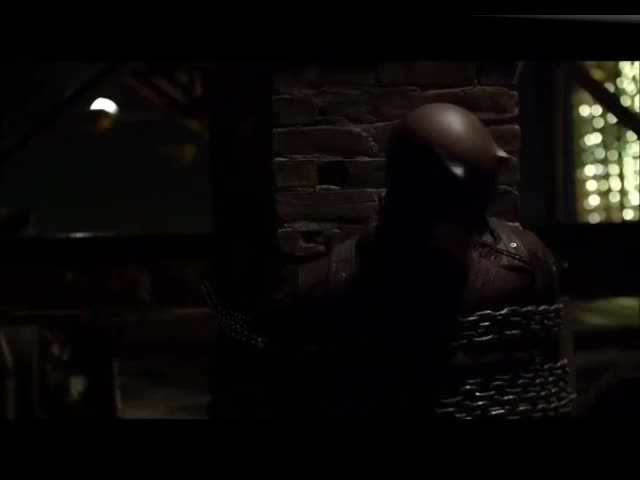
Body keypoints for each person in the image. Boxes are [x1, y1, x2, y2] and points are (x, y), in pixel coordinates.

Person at [208, 103, 574, 421]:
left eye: (469, 219)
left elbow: (549, 371)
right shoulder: (324, 286)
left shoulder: (527, 262)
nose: (462, 236)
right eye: (451, 219)